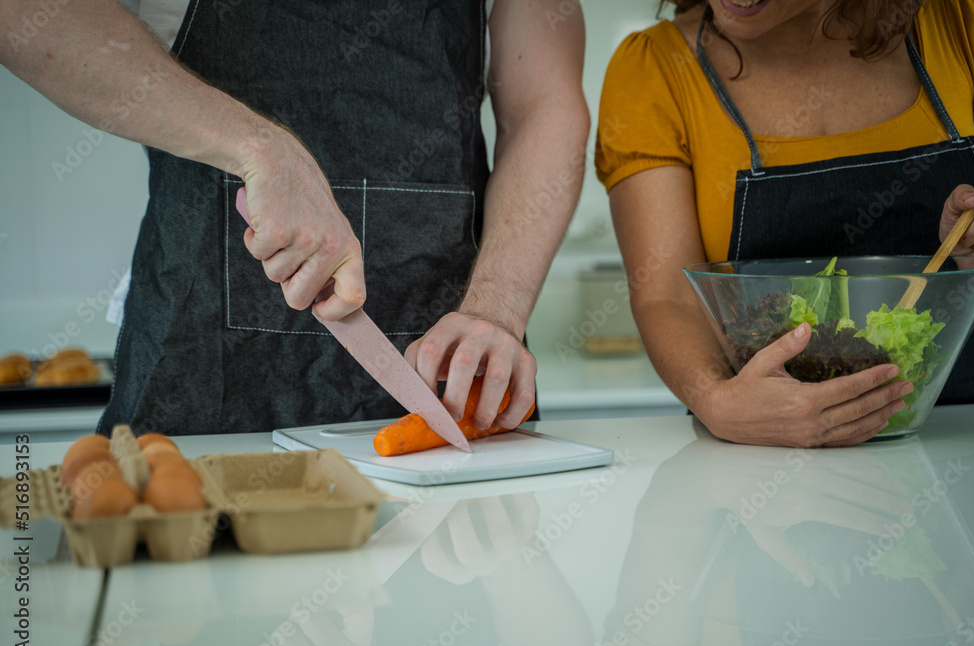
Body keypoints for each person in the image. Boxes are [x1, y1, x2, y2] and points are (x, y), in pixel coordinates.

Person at [0, 0, 589, 435]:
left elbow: (545, 104)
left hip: (456, 378)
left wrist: (497, 310)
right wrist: (259, 149)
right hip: (204, 373)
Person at [596, 0, 974, 448]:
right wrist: (716, 401)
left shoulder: (967, 21)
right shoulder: (656, 67)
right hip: (764, 467)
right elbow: (669, 294)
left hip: (972, 441)